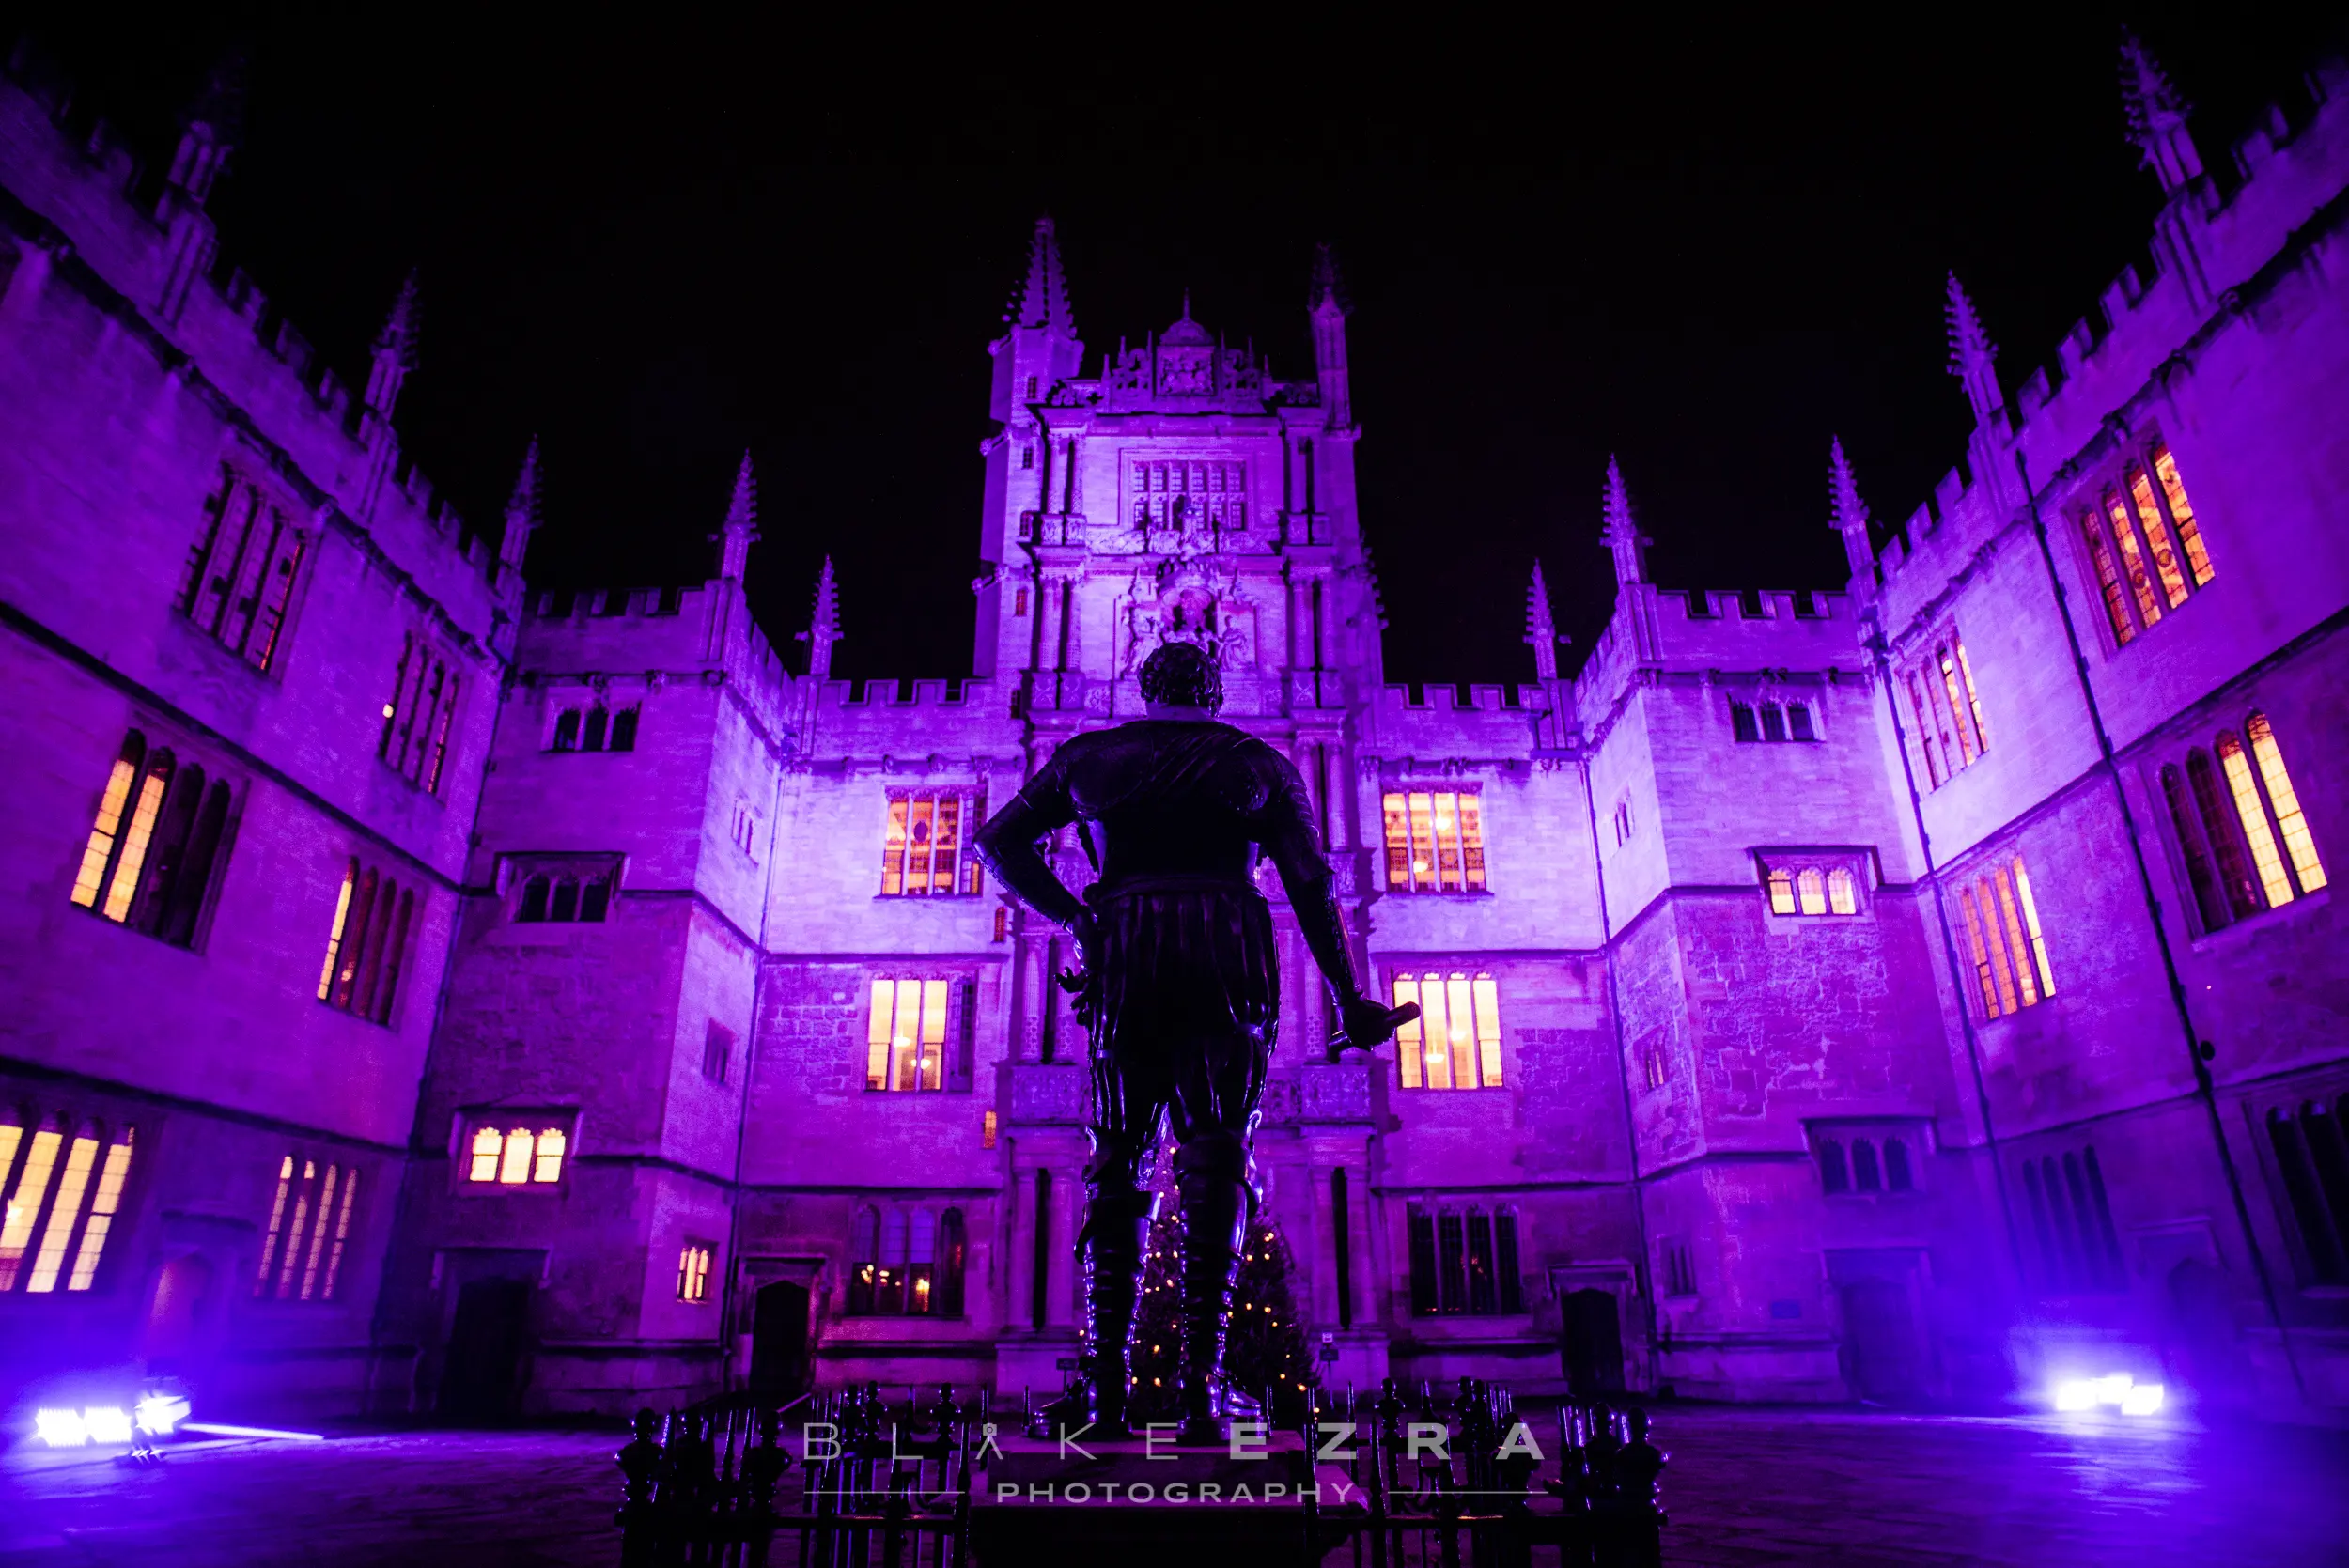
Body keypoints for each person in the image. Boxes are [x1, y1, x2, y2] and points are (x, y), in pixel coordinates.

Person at [975, 640, 1410, 1443]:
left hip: (1125, 946)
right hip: (1227, 948)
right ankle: (1202, 1398)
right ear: (1212, 692)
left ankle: (1105, 1396)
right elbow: (1312, 883)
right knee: (1214, 1166)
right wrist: (1350, 997)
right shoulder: (1261, 763)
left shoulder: (1090, 757)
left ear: (1147, 689)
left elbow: (996, 844)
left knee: (1117, 1164)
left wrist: (1074, 917)